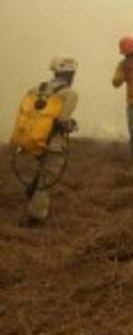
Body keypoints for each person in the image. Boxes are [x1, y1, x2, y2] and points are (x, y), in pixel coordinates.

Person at [11, 58, 78, 225]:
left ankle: (32, 189)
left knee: (42, 170)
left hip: (32, 139)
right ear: (71, 74)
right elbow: (63, 121)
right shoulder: (69, 93)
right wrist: (73, 125)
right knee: (47, 179)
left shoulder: (37, 89)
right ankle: (35, 217)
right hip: (52, 143)